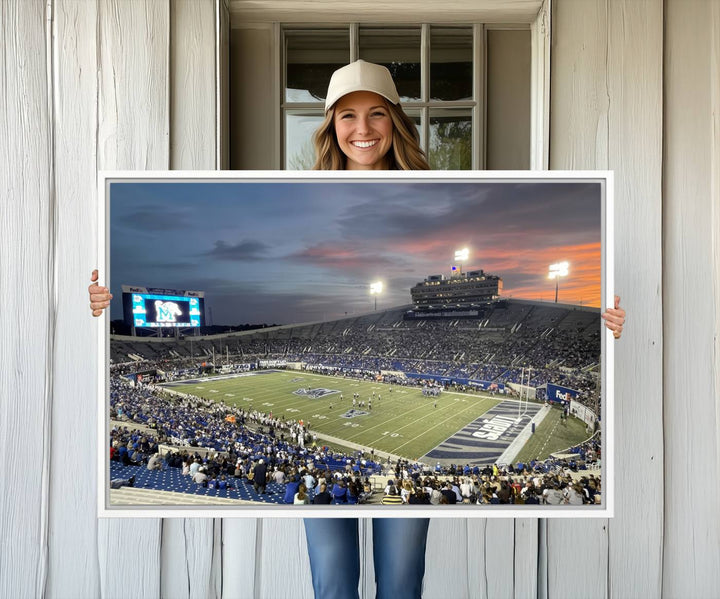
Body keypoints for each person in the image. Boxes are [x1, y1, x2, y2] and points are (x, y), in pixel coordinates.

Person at [88, 59, 626, 599]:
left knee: (400, 581)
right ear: (330, 126)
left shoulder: (435, 191)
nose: (362, 129)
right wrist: (101, 302)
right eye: (347, 116)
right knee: (333, 580)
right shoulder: (306, 197)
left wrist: (603, 322)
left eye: (375, 114)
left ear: (395, 120)